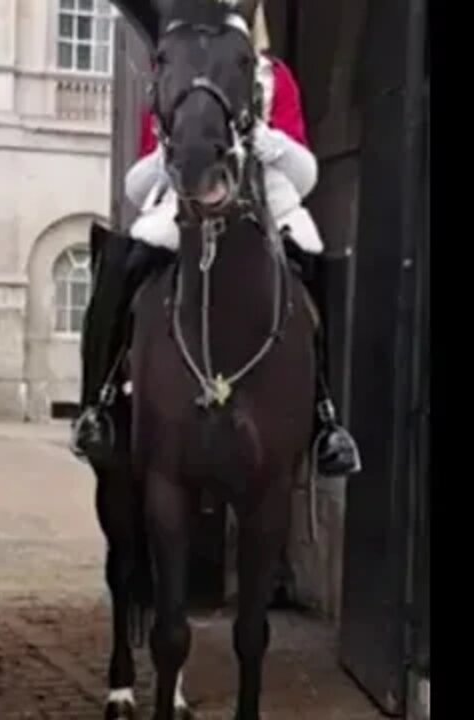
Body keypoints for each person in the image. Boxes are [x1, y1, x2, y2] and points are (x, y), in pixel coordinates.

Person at [72, 16, 362, 479]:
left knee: (319, 263)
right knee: (124, 262)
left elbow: (305, 175)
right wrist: (171, 160)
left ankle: (329, 418)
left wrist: (271, 145)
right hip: (183, 199)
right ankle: (100, 403)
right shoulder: (176, 70)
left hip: (268, 199)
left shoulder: (274, 76)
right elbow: (135, 184)